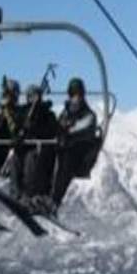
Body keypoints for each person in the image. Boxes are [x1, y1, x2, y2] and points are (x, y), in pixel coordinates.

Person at [49, 76, 100, 208]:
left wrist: (67, 130)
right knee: (45, 155)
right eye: (73, 95)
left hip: (79, 153)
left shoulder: (89, 115)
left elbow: (83, 126)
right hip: (63, 148)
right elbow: (58, 126)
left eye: (78, 95)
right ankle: (37, 192)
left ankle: (54, 201)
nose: (75, 98)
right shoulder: (65, 113)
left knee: (65, 164)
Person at [13, 83, 61, 208]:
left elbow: (51, 130)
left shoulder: (47, 114)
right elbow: (16, 126)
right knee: (15, 160)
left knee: (30, 160)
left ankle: (30, 194)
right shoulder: (23, 112)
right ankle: (16, 192)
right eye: (31, 96)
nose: (33, 99)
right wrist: (20, 133)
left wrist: (35, 130)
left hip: (37, 148)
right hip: (23, 146)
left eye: (35, 96)